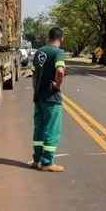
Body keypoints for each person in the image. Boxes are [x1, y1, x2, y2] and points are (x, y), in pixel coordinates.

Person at [29, 27, 66, 172]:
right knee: (51, 130)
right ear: (61, 39)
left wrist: (36, 89)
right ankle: (47, 162)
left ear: (47, 37)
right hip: (51, 98)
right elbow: (60, 71)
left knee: (39, 129)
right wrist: (57, 85)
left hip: (38, 97)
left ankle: (37, 160)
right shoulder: (58, 52)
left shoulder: (39, 52)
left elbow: (33, 74)